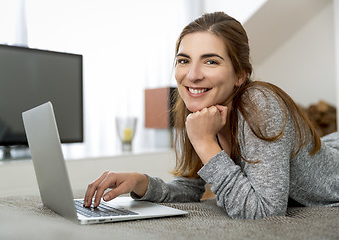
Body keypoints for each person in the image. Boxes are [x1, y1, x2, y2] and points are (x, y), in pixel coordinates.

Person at [84, 11, 339, 219]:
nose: (192, 75)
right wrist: (142, 183)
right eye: (184, 60)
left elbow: (265, 214)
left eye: (211, 61)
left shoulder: (259, 104)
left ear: (240, 75)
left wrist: (206, 144)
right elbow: (190, 187)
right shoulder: (200, 108)